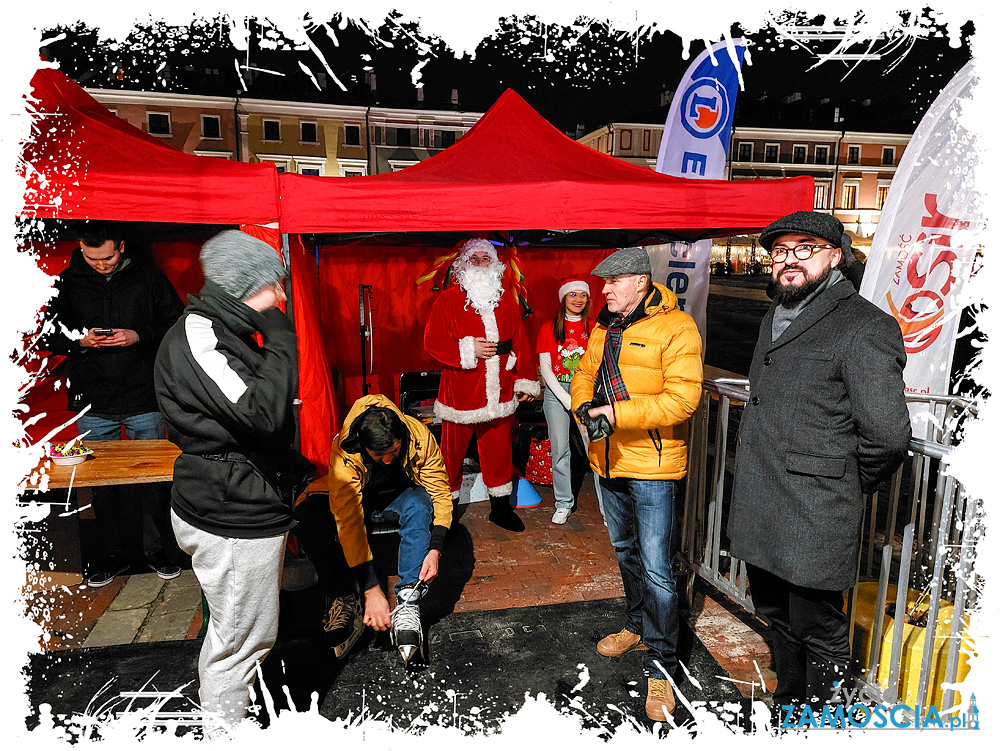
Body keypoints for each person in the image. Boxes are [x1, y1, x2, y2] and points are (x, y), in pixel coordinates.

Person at [727, 211, 910, 713]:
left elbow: (889, 437)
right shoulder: (775, 314)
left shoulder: (864, 326)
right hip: (766, 499)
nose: (789, 260)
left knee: (819, 625)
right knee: (774, 612)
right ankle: (789, 702)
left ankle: (828, 721)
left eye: (804, 248)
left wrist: (842, 483)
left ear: (835, 257)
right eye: (780, 250)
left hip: (815, 510)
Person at [154, 230, 298, 735]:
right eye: (275, 287)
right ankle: (224, 736)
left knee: (237, 633)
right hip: (230, 511)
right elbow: (260, 411)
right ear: (246, 287)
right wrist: (282, 338)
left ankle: (237, 716)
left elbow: (248, 407)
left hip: (239, 498)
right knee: (238, 644)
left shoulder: (224, 330)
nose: (281, 299)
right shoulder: (201, 335)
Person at [571, 247, 703, 721]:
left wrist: (615, 414)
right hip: (607, 462)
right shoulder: (604, 328)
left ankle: (662, 669)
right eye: (602, 283)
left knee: (659, 571)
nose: (602, 290)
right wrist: (583, 408)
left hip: (652, 466)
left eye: (612, 282)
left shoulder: (677, 328)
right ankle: (637, 626)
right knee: (626, 552)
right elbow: (584, 374)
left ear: (640, 283)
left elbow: (683, 399)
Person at [40, 221, 184, 587]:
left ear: (120, 245)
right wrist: (81, 341)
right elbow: (48, 334)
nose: (102, 265)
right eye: (93, 259)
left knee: (153, 478)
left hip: (144, 393)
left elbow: (177, 322)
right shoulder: (68, 281)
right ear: (81, 249)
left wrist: (138, 334)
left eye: (108, 257)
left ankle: (157, 550)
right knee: (99, 481)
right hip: (93, 396)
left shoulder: (148, 275)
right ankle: (112, 555)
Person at [294, 394, 452, 667]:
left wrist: (436, 548)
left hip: (399, 496)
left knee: (420, 503)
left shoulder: (418, 436)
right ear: (363, 445)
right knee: (307, 513)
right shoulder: (344, 450)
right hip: (357, 499)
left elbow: (440, 491)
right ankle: (343, 594)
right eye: (379, 455)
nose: (388, 460)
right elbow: (349, 520)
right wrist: (370, 589)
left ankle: (408, 601)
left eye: (394, 451)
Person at [423, 238, 541, 532]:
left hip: (499, 387)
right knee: (451, 455)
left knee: (499, 451)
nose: (479, 263)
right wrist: (467, 348)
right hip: (461, 389)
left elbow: (520, 342)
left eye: (485, 259)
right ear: (463, 265)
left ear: (495, 265)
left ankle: (499, 508)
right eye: (473, 259)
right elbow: (432, 340)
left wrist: (524, 381)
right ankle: (444, 515)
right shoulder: (448, 299)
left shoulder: (507, 302)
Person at [535, 276, 603, 524]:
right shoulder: (548, 328)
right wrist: (565, 398)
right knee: (561, 451)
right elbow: (546, 368)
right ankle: (563, 502)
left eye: (583, 295)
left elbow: (599, 364)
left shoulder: (596, 328)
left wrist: (584, 398)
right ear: (563, 298)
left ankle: (608, 509)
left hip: (587, 393)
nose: (578, 299)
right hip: (558, 395)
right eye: (573, 294)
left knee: (595, 449)